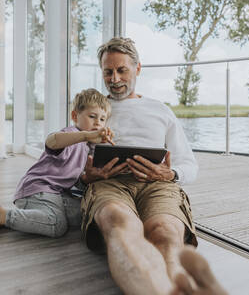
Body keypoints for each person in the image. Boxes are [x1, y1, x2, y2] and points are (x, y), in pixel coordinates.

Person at [79, 37, 200, 295]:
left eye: (121, 70)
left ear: (138, 69)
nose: (114, 79)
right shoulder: (90, 110)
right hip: (109, 185)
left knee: (165, 233)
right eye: (107, 72)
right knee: (119, 224)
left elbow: (189, 164)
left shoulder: (160, 110)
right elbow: (67, 159)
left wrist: (171, 172)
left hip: (158, 185)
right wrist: (86, 176)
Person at [0, 88, 121, 238]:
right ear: (75, 116)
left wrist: (87, 178)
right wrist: (86, 135)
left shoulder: (89, 148)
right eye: (92, 116)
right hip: (37, 189)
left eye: (102, 119)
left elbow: (74, 178)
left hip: (57, 194)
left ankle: (11, 218)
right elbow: (51, 141)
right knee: (57, 224)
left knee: (84, 212)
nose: (97, 123)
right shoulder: (71, 134)